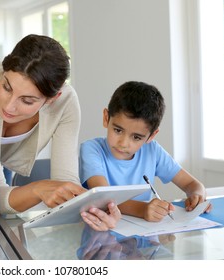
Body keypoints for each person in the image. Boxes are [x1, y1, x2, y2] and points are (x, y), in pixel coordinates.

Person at [0, 34, 120, 231]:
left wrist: (95, 210)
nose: (9, 106)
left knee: (4, 219)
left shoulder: (65, 102)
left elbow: (65, 182)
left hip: (2, 161)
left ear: (52, 99)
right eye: (6, 87)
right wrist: (36, 189)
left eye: (27, 100)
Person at [79, 81, 211, 222]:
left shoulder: (152, 150)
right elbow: (103, 197)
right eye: (118, 130)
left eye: (136, 137)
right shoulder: (91, 149)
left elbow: (192, 184)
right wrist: (142, 209)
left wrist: (197, 195)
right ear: (106, 118)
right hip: (99, 232)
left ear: (151, 136)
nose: (123, 143)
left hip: (142, 234)